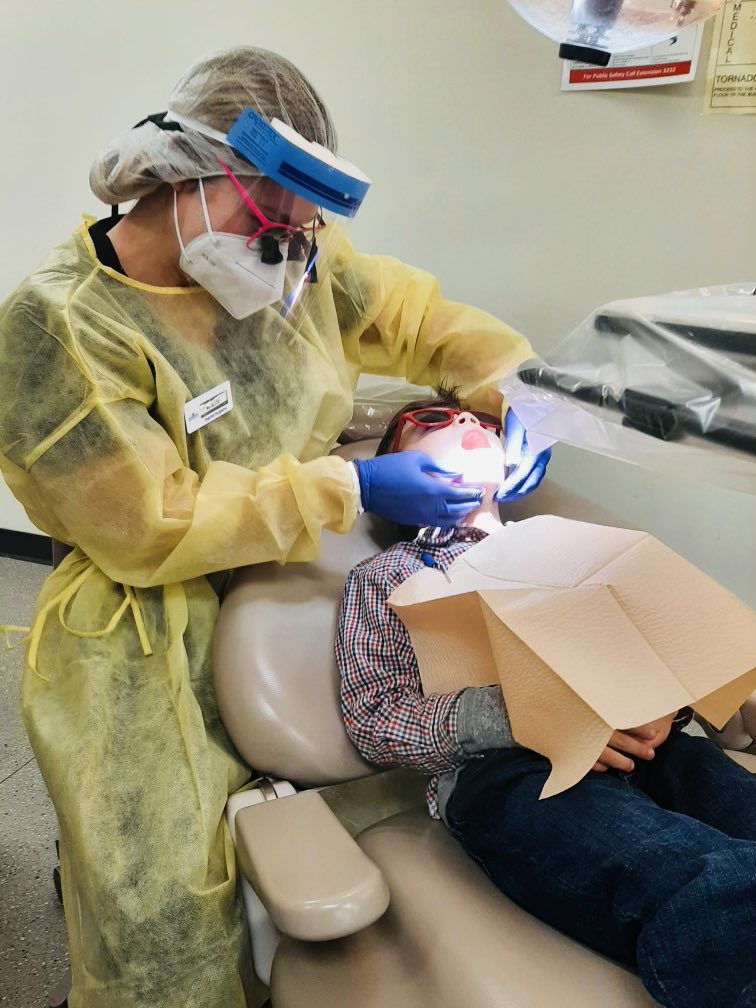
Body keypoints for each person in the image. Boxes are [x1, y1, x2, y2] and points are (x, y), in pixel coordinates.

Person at [0, 47, 550, 1008]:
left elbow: (421, 319)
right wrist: (353, 486)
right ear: (181, 174)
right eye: (267, 220)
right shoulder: (57, 328)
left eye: (302, 230)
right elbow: (150, 523)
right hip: (146, 632)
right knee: (160, 902)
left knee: (387, 802)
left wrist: (518, 396)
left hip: (305, 577)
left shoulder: (288, 269)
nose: (286, 252)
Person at [336, 386, 756, 1008]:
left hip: (650, 754)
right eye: (431, 420)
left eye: (476, 419)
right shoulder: (390, 577)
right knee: (699, 879)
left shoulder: (575, 551)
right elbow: (375, 717)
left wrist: (663, 707)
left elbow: (651, 649)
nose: (461, 422)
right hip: (509, 775)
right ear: (396, 470)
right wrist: (531, 714)